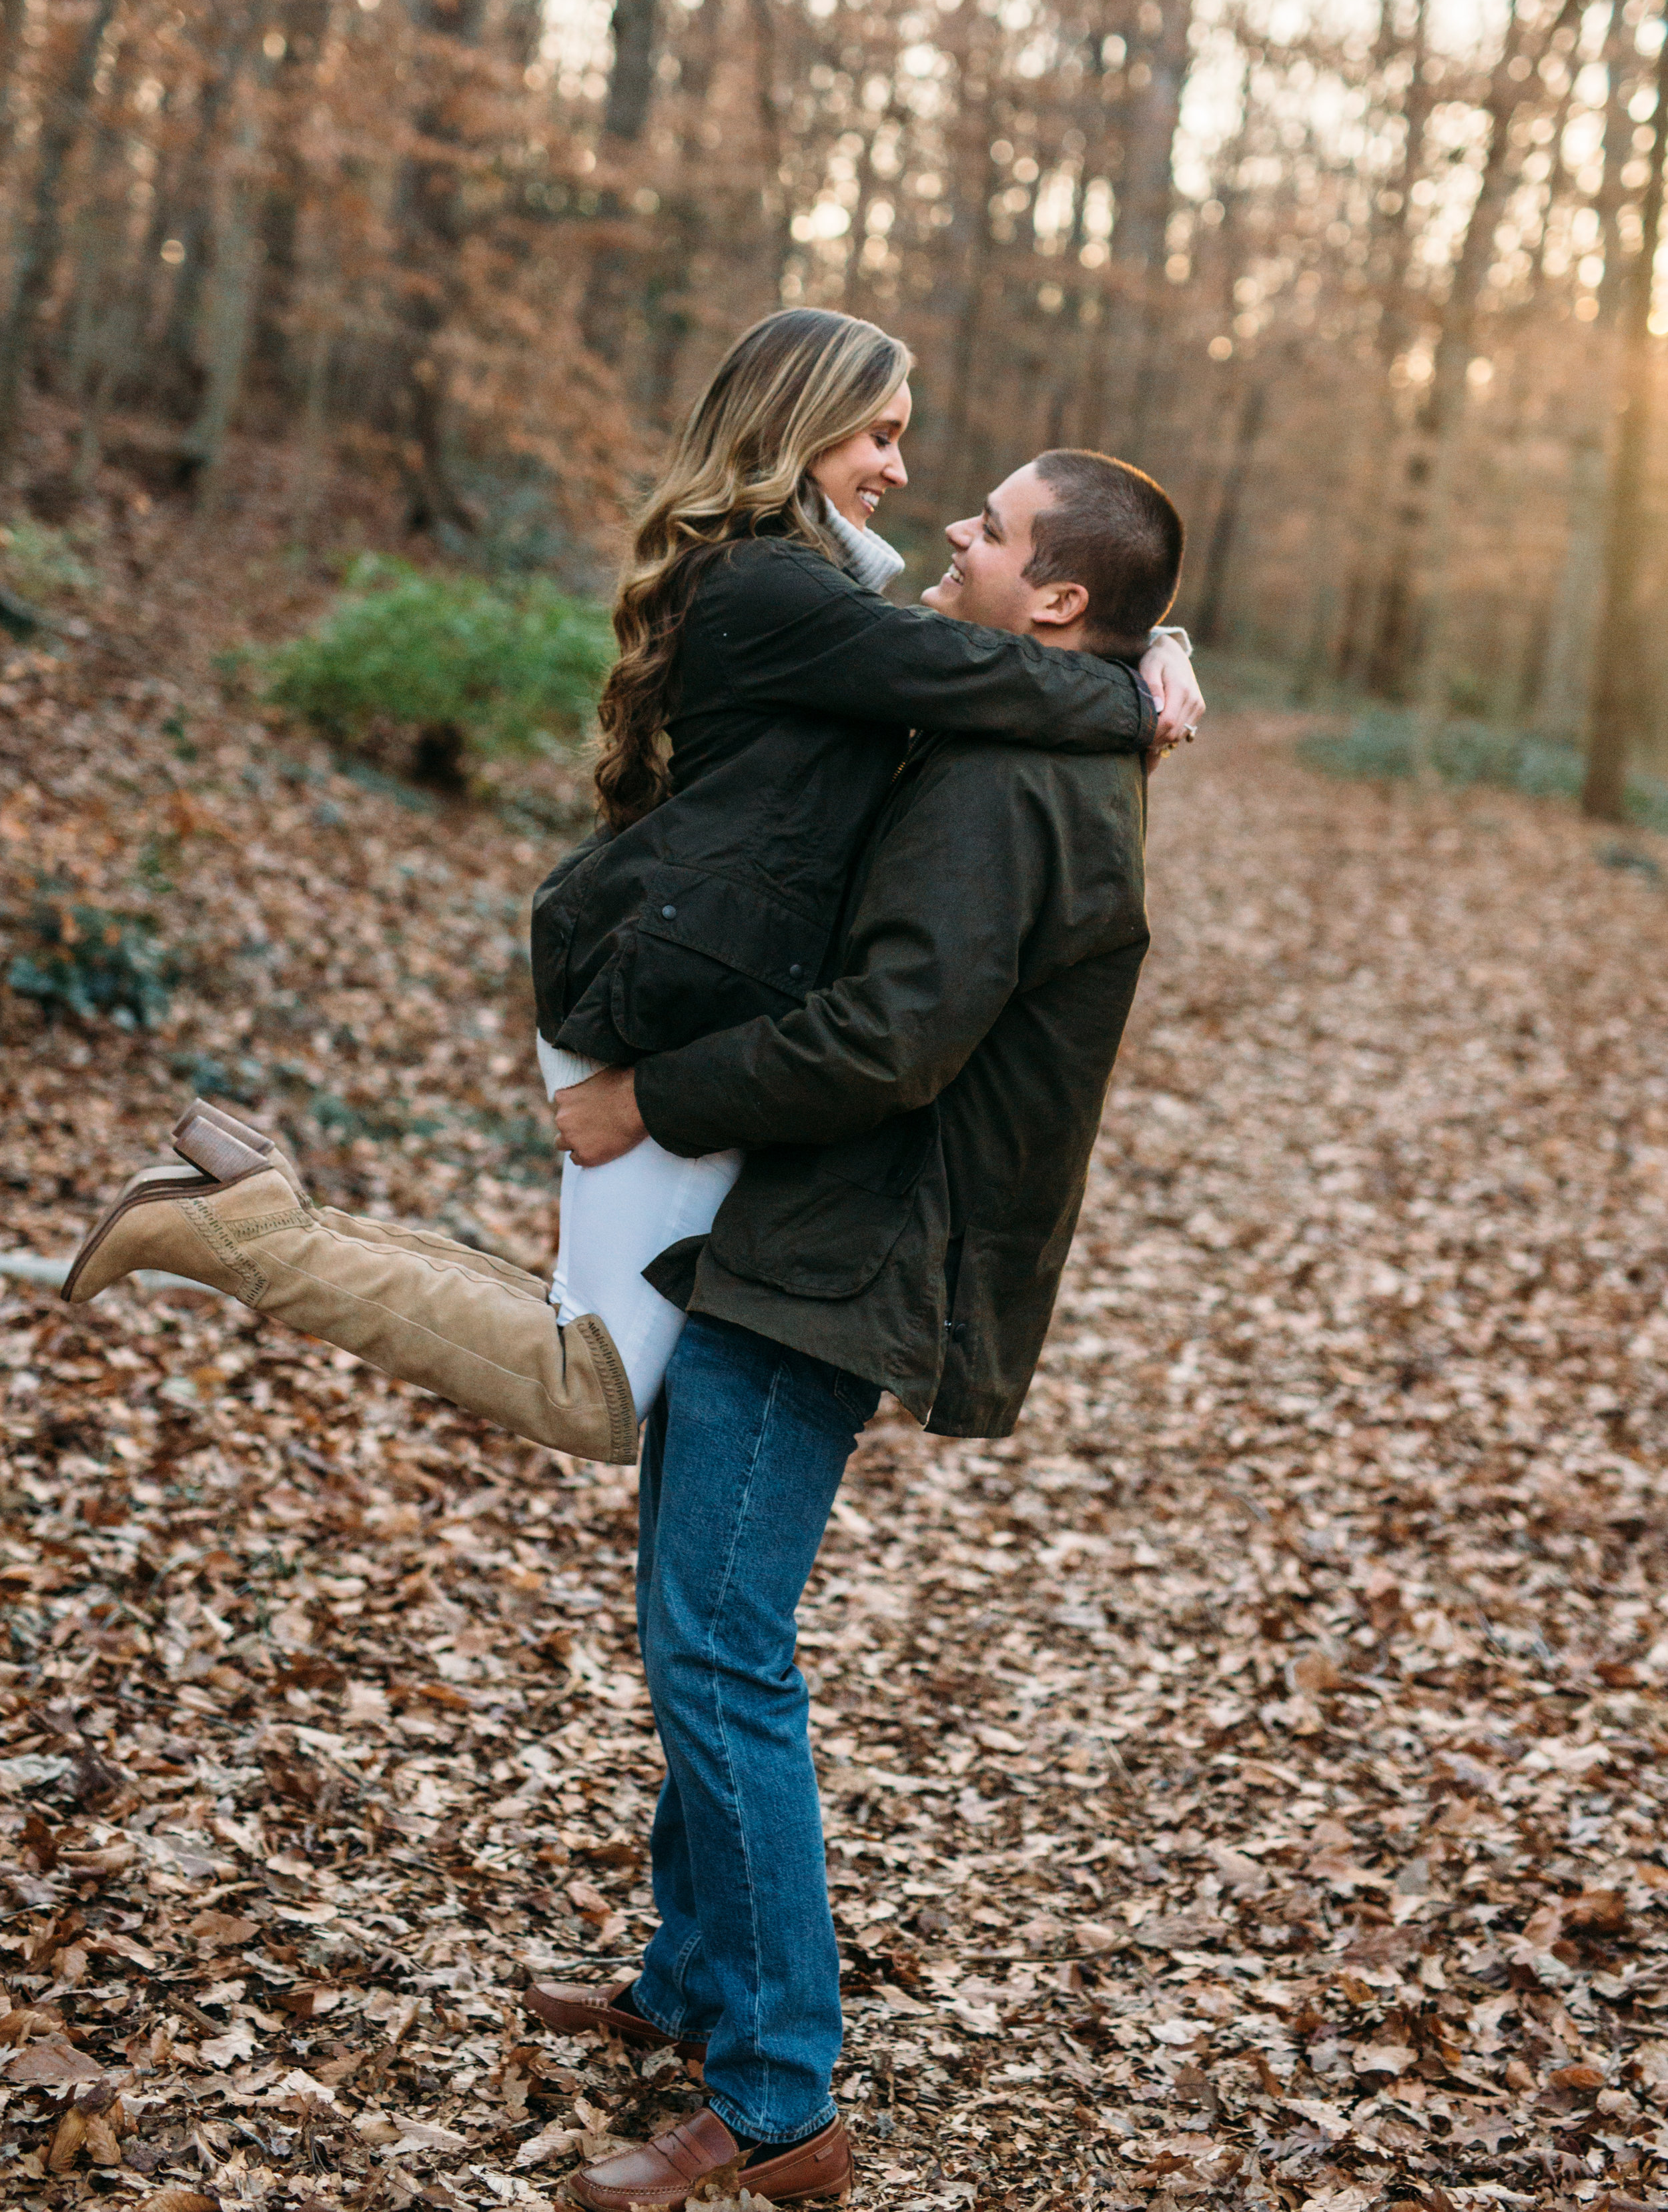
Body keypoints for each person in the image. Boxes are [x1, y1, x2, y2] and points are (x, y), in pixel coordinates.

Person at [59, 314, 1201, 1467]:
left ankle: (254, 1209)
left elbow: (982, 656)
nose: (903, 473)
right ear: (802, 428)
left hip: (680, 982)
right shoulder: (771, 590)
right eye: (881, 436)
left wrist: (1156, 638)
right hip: (662, 1001)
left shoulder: (796, 592)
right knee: (592, 1388)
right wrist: (1137, 687)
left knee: (586, 1336)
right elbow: (993, 666)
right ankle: (243, 1237)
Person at [528, 445, 1176, 2211]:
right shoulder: (1035, 720)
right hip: (808, 1223)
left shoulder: (1011, 788)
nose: (949, 530)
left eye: (989, 527)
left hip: (850, 1246)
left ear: (1050, 596)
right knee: (694, 1605)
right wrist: (1139, 659)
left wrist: (647, 1095)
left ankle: (776, 2098)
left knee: (719, 1643)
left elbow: (891, 1037)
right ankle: (689, 1985)